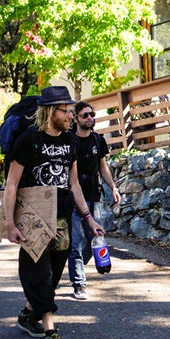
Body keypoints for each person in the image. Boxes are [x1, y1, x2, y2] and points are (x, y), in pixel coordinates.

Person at [4, 86, 104, 339]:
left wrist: (88, 217)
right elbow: (11, 184)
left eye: (73, 110)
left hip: (62, 216)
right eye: (66, 110)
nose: (71, 115)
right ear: (50, 112)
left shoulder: (71, 142)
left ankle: (28, 314)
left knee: (55, 270)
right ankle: (51, 335)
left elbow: (73, 183)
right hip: (33, 216)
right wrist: (9, 223)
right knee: (39, 273)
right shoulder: (29, 140)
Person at [68, 101, 121, 300]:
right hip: (73, 197)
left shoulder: (98, 140)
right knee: (75, 243)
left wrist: (113, 187)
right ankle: (79, 284)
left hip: (94, 196)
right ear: (76, 118)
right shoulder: (69, 140)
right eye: (85, 115)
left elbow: (103, 167)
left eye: (92, 114)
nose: (90, 118)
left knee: (94, 240)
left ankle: (77, 266)